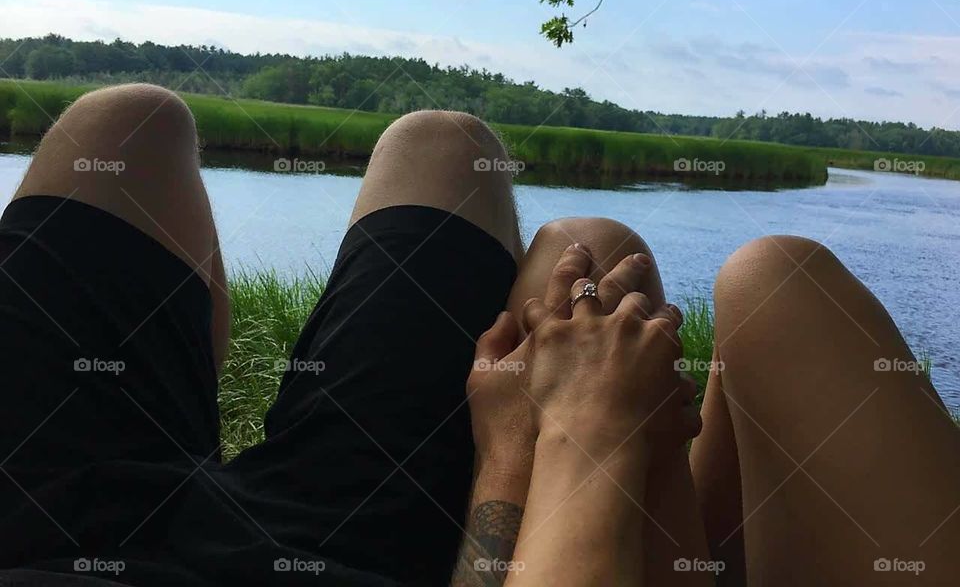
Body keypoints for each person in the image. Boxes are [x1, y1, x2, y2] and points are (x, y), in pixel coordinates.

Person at [0, 84, 956, 586]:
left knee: (125, 128)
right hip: (342, 556)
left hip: (46, 527)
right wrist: (547, 442)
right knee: (598, 248)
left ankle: (182, 447)